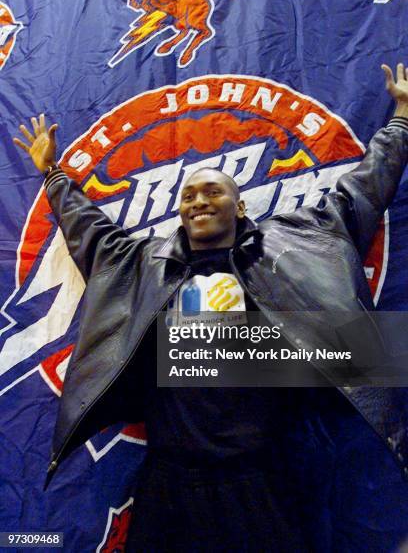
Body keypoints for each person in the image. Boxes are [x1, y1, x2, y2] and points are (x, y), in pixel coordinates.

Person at [12, 63, 408, 552]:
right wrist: (51, 172)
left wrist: (401, 121)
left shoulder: (293, 246)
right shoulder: (140, 263)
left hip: (263, 478)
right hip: (170, 481)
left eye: (212, 191)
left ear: (239, 206)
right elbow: (86, 227)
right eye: (188, 195)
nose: (197, 201)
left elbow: (359, 194)